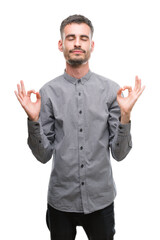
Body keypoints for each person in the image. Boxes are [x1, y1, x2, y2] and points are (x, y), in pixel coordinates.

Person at [15, 14, 145, 240]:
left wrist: (126, 114)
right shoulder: (47, 93)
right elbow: (43, 155)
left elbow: (120, 154)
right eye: (71, 38)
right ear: (61, 44)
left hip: (100, 200)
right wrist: (33, 120)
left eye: (83, 38)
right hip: (61, 201)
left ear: (91, 45)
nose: (77, 43)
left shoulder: (110, 91)